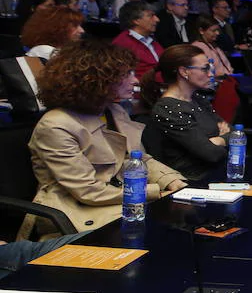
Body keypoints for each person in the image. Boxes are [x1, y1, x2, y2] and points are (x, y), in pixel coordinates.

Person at [20, 39, 187, 239]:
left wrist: (172, 181)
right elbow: (88, 191)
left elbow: (137, 159)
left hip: (119, 201)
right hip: (76, 213)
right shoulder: (56, 125)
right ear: (95, 79)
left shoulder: (113, 110)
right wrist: (156, 193)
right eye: (126, 74)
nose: (135, 81)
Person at [142, 44, 229, 179]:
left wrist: (218, 140)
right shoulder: (167, 109)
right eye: (205, 69)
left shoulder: (197, 98)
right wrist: (222, 139)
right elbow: (211, 154)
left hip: (216, 171)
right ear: (184, 72)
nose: (211, 74)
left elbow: (237, 134)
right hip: (192, 181)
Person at [192, 15, 239, 124]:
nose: (217, 33)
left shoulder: (214, 46)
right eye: (213, 31)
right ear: (201, 31)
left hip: (229, 82)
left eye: (217, 30)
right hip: (216, 88)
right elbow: (205, 73)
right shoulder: (197, 47)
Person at [111, 0, 163, 80]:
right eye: (151, 16)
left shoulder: (152, 41)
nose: (157, 19)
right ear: (136, 20)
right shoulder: (123, 43)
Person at [20, 6, 85, 61]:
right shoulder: (44, 51)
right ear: (57, 28)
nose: (82, 30)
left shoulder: (59, 51)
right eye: (75, 26)